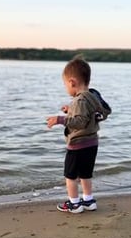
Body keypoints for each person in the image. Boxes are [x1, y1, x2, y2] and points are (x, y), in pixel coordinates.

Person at [46, 56, 111, 213]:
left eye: (65, 85)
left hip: (78, 144)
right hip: (92, 143)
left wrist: (61, 119)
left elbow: (80, 121)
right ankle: (88, 201)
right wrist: (70, 110)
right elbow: (88, 115)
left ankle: (74, 203)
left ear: (72, 82)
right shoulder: (92, 96)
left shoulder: (79, 100)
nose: (66, 88)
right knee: (85, 174)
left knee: (70, 175)